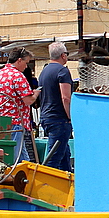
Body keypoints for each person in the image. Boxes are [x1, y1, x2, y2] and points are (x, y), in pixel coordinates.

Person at [0, 48, 41, 162]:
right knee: (15, 159)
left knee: (17, 157)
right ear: (19, 60)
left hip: (2, 122)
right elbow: (28, 101)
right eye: (26, 62)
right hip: (16, 122)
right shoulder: (18, 76)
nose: (26, 66)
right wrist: (35, 94)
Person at [38, 41, 75, 172]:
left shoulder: (44, 72)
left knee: (64, 155)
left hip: (46, 117)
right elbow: (66, 97)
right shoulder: (62, 71)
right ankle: (45, 185)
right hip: (59, 118)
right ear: (63, 55)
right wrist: (70, 117)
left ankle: (68, 180)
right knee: (53, 158)